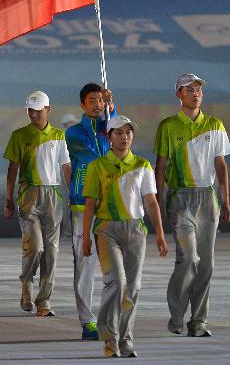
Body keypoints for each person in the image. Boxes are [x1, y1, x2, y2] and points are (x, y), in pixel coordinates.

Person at [82, 115, 167, 358]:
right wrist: (87, 238)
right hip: (106, 230)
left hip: (136, 231)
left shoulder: (142, 165)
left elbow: (151, 201)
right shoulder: (98, 166)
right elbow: (90, 203)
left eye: (128, 132)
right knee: (116, 283)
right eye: (118, 133)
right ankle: (110, 339)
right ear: (109, 137)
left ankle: (126, 339)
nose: (124, 137)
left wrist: (160, 233)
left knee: (132, 288)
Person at [154, 74, 230, 337]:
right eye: (190, 89)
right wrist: (156, 198)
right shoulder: (168, 126)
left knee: (206, 265)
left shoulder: (215, 124)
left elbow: (221, 164)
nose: (196, 93)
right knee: (188, 258)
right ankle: (177, 316)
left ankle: (198, 322)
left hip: (208, 199)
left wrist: (225, 198)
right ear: (179, 94)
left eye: (198, 89)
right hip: (180, 198)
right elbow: (161, 165)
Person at [4, 91, 71, 316]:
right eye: (30, 110)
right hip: (28, 196)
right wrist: (9, 198)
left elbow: (66, 167)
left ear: (47, 110)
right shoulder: (19, 135)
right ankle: (26, 284)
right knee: (35, 248)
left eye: (37, 110)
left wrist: (74, 196)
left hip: (53, 196)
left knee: (51, 251)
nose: (33, 114)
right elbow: (12, 169)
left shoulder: (59, 136)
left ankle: (43, 301)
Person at [65, 83, 116, 340]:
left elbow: (120, 133)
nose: (97, 104)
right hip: (82, 207)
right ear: (83, 105)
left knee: (113, 266)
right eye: (92, 100)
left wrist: (112, 108)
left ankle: (110, 318)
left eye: (100, 100)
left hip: (111, 206)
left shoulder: (112, 129)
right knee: (85, 264)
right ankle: (88, 322)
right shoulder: (72, 135)